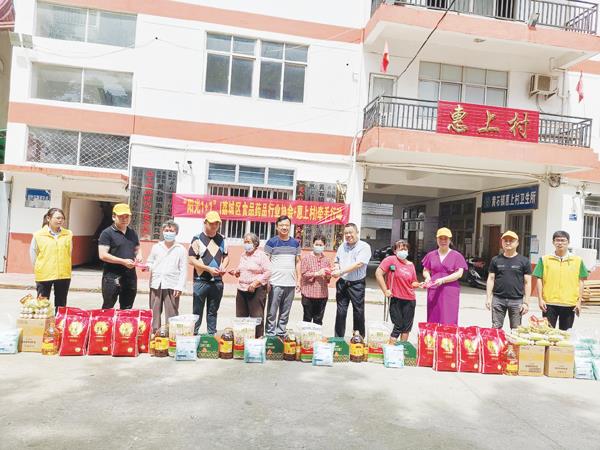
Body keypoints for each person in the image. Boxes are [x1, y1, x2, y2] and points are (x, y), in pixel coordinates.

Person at [533, 230, 588, 331]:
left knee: (565, 334)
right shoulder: (544, 259)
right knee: (547, 333)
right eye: (557, 240)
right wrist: (540, 299)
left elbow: (581, 281)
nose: (560, 243)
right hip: (549, 303)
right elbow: (539, 279)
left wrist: (579, 302)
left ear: (568, 242)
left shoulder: (577, 260)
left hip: (569, 303)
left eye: (563, 240)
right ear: (553, 242)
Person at [188, 211, 229, 335]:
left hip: (217, 281)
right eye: (211, 223)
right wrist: (207, 268)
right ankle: (194, 335)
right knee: (197, 311)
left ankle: (211, 336)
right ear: (205, 223)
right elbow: (191, 259)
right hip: (200, 281)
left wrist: (223, 266)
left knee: (213, 311)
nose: (214, 226)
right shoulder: (197, 239)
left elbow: (226, 256)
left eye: (217, 223)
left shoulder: (222, 239)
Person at [98, 203, 142, 310]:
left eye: (127, 216)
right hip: (112, 276)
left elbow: (137, 248)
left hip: (130, 276)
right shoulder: (107, 233)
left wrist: (139, 255)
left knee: (127, 308)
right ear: (114, 217)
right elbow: (103, 255)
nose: (124, 219)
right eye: (121, 216)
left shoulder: (132, 233)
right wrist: (123, 261)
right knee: (108, 307)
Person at [486, 230, 532, 330]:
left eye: (511, 240)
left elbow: (528, 282)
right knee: (496, 328)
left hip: (516, 300)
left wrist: (526, 302)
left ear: (517, 243)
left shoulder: (524, 261)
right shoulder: (495, 260)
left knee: (516, 329)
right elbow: (491, 279)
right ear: (502, 242)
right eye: (505, 240)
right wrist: (488, 298)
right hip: (498, 299)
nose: (507, 243)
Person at [146, 220, 187, 332]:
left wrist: (180, 287)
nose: (169, 233)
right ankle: (155, 333)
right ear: (162, 231)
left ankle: (171, 334)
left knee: (172, 312)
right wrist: (147, 266)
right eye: (166, 230)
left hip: (172, 284)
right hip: (156, 283)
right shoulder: (156, 247)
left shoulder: (181, 249)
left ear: (176, 233)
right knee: (154, 311)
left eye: (171, 231)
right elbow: (150, 261)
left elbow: (183, 270)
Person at [30, 208, 73, 312]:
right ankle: (43, 322)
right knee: (42, 304)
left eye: (62, 218)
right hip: (44, 273)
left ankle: (58, 321)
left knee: (61, 304)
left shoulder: (68, 234)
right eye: (57, 218)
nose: (60, 220)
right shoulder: (38, 235)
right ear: (48, 218)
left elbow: (69, 252)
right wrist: (39, 267)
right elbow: (33, 254)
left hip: (63, 274)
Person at [422, 227, 467, 325]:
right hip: (434, 288)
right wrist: (428, 277)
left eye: (445, 238)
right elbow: (426, 270)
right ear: (437, 239)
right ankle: (433, 334)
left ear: (450, 240)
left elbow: (459, 273)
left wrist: (443, 280)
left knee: (448, 317)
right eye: (440, 238)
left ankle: (448, 335)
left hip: (450, 289)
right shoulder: (431, 255)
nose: (443, 241)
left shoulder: (457, 256)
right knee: (433, 315)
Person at [332, 223, 372, 337]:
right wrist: (336, 267)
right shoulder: (342, 246)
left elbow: (358, 264)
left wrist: (340, 271)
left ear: (357, 232)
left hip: (357, 284)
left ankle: (358, 338)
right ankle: (338, 338)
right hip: (342, 283)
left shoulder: (364, 247)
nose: (348, 235)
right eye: (346, 233)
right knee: (340, 311)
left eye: (351, 232)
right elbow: (337, 260)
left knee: (358, 311)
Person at [264, 215, 301, 336]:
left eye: (287, 225)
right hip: (275, 283)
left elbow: (298, 262)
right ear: (276, 227)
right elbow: (265, 262)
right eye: (281, 225)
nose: (284, 227)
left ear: (290, 227)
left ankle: (281, 333)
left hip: (290, 283)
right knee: (272, 312)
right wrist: (267, 281)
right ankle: (270, 334)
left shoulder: (295, 243)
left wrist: (298, 280)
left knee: (285, 312)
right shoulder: (271, 242)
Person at [375, 239, 418, 342]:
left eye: (405, 249)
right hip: (395, 298)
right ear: (395, 251)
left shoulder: (411, 265)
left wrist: (418, 284)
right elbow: (378, 273)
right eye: (401, 249)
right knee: (397, 326)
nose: (403, 251)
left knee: (406, 328)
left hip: (410, 299)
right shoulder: (391, 260)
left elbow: (413, 282)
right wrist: (385, 290)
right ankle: (391, 348)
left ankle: (402, 348)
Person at [232, 232, 271, 337]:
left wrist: (256, 283)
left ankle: (257, 340)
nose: (246, 244)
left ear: (255, 243)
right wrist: (236, 272)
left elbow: (268, 272)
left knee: (257, 317)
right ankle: (242, 339)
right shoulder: (243, 255)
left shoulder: (261, 255)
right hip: (242, 289)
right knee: (241, 317)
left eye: (248, 242)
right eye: (245, 242)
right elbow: (242, 268)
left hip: (256, 289)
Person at [300, 235, 333, 325]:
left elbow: (328, 278)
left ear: (324, 245)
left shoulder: (326, 259)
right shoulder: (306, 258)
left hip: (322, 295)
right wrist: (317, 273)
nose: (318, 247)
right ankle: (306, 334)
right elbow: (304, 274)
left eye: (320, 245)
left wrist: (328, 276)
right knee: (307, 319)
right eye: (316, 244)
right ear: (313, 244)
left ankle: (316, 334)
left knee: (318, 320)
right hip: (308, 294)